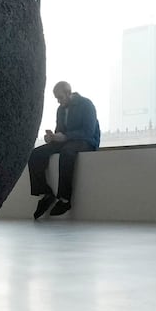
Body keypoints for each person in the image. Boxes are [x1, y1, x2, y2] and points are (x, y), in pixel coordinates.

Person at [29, 81, 100, 219]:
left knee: (67, 152)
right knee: (35, 154)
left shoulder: (86, 105)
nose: (58, 101)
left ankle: (65, 199)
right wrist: (52, 137)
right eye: (57, 98)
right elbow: (60, 130)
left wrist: (65, 136)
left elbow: (88, 132)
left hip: (86, 141)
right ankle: (45, 194)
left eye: (60, 97)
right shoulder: (60, 109)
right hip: (67, 140)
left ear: (69, 93)